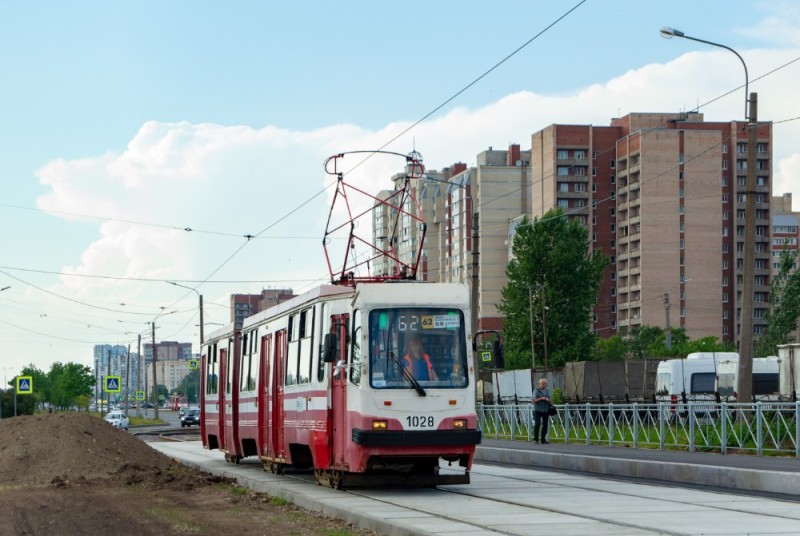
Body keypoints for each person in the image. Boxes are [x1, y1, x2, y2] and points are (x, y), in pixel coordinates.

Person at [533, 377, 551, 444]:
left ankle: (543, 440)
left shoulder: (548, 391)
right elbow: (534, 400)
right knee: (537, 424)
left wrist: (547, 400)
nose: (544, 385)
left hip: (545, 410)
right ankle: (536, 439)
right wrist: (541, 398)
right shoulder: (536, 391)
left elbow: (550, 400)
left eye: (545, 384)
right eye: (543, 384)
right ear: (540, 384)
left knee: (545, 425)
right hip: (537, 410)